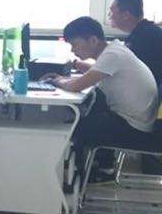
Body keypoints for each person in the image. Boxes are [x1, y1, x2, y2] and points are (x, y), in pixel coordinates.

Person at [50, 17, 159, 177]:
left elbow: (76, 86)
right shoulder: (115, 50)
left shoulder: (112, 55)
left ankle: (83, 175)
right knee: (87, 112)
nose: (73, 50)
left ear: (93, 40)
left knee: (73, 125)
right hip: (139, 121)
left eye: (75, 44)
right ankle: (96, 167)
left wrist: (56, 81)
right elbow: (96, 71)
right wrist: (74, 69)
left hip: (134, 128)